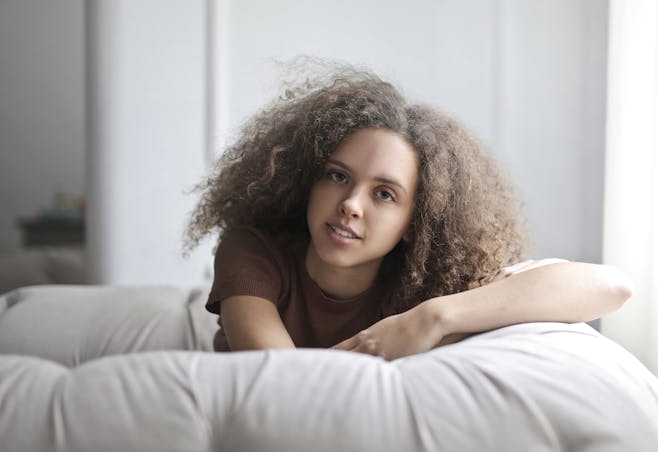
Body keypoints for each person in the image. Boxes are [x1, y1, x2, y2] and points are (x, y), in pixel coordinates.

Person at [185, 61, 632, 360]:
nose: (350, 206)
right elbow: (285, 383)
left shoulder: (430, 284)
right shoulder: (252, 250)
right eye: (337, 176)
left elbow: (611, 287)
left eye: (384, 194)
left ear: (413, 226)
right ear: (308, 179)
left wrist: (432, 318)